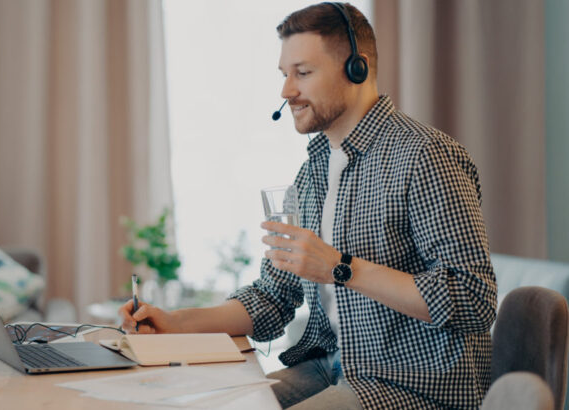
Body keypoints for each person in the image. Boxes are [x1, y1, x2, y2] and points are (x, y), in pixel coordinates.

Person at [119, 3, 497, 409]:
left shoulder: (425, 156)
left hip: (412, 386)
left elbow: (473, 298)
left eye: (303, 73)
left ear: (357, 68)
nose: (286, 91)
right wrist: (176, 323)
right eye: (285, 75)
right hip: (330, 367)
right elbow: (273, 297)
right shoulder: (313, 171)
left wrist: (340, 267)